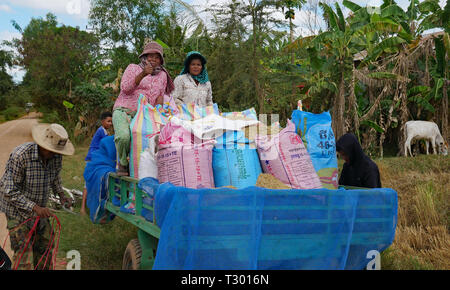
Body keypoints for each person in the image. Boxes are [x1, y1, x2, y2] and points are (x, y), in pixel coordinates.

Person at [0, 123, 74, 270]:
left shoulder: (56, 157)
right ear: (43, 146)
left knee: (45, 249)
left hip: (39, 212)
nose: (56, 154)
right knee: (24, 256)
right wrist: (34, 207)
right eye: (53, 151)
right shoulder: (21, 155)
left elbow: (55, 177)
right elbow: (8, 189)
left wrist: (61, 195)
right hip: (17, 212)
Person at [113, 41, 175, 176]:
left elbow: (160, 95)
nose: (153, 59)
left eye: (156, 56)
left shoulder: (162, 75)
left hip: (145, 116)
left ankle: (144, 170)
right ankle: (123, 163)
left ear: (161, 60)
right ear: (144, 57)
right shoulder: (133, 68)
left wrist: (159, 113)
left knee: (150, 142)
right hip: (124, 110)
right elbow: (125, 88)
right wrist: (143, 74)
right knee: (124, 137)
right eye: (150, 56)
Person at [80, 112, 113, 215]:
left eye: (111, 121)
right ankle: (83, 208)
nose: (110, 123)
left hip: (96, 159)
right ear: (102, 121)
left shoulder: (104, 131)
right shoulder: (101, 131)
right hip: (92, 159)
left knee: (94, 182)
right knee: (88, 182)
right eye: (108, 121)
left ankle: (94, 207)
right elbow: (108, 144)